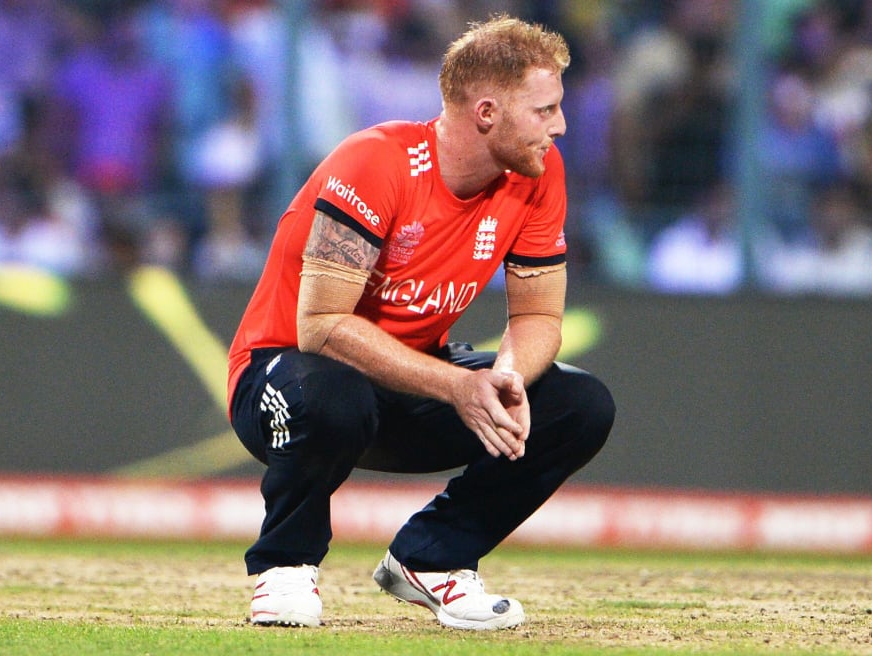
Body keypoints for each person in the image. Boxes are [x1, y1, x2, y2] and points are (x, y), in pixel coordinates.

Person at [226, 15, 615, 631]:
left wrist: (505, 379)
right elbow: (321, 328)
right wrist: (457, 387)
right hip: (282, 382)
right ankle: (285, 566)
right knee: (333, 391)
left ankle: (433, 558)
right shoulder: (373, 164)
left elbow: (539, 316)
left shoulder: (541, 178)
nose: (559, 126)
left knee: (580, 404)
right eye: (544, 110)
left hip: (406, 385)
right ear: (487, 112)